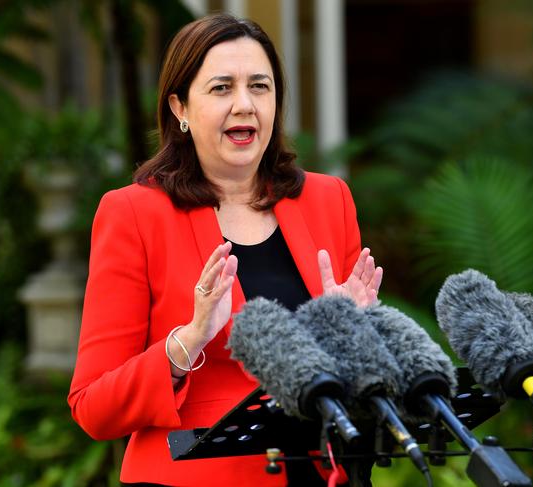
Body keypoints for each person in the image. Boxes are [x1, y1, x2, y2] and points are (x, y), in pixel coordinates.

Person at [68, 13, 383, 487]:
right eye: (221, 88)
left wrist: (351, 334)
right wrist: (188, 340)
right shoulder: (133, 214)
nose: (245, 104)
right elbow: (93, 406)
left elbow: (361, 379)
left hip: (321, 472)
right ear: (180, 108)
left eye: (260, 86)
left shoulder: (327, 200)